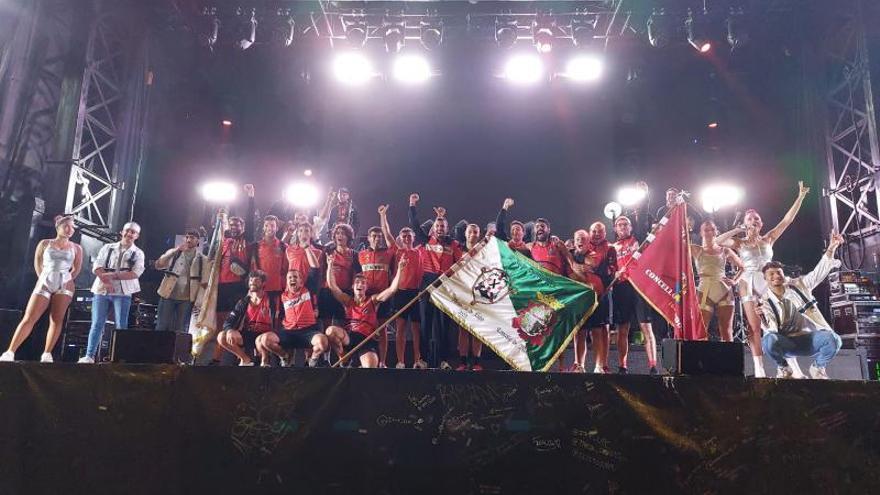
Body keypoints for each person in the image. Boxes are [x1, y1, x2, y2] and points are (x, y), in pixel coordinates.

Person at [717, 181, 809, 378]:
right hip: (748, 282)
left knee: (779, 323)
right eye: (750, 219)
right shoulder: (739, 243)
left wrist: (800, 197)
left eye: (757, 218)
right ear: (745, 222)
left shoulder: (769, 238)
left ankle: (790, 366)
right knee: (755, 326)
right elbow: (719, 241)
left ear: (761, 223)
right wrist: (738, 229)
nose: (754, 221)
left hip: (768, 280)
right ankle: (759, 369)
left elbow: (787, 220)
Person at [759, 231, 844, 379]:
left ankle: (818, 368)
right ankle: (784, 368)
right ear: (765, 279)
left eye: (778, 272)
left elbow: (819, 272)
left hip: (810, 339)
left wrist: (831, 248)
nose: (776, 276)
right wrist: (764, 321)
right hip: (788, 343)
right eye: (771, 274)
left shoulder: (799, 285)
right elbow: (771, 329)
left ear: (783, 275)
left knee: (834, 339)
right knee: (768, 341)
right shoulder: (766, 300)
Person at [1, 215, 83, 363]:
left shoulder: (77, 248)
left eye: (73, 228)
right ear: (58, 227)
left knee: (56, 319)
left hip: (64, 282)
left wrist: (67, 279)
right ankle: (10, 351)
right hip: (45, 279)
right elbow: (38, 263)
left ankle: (47, 353)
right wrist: (43, 278)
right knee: (29, 318)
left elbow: (76, 269)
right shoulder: (45, 243)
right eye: (67, 226)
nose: (70, 230)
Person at [408, 193, 462, 369]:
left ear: (447, 228)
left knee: (443, 325)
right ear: (433, 228)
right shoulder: (425, 240)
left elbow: (462, 265)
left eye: (442, 226)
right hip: (426, 285)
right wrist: (412, 205)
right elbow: (415, 225)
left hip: (445, 286)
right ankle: (423, 359)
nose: (439, 228)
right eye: (437, 225)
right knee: (426, 323)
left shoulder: (453, 244)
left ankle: (444, 360)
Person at [79, 222, 146, 364]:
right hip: (101, 290)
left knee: (121, 325)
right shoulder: (108, 247)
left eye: (133, 232)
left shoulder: (138, 253)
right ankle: (89, 355)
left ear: (137, 236)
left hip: (123, 292)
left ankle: (119, 357)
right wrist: (107, 282)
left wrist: (114, 276)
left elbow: (136, 273)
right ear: (122, 232)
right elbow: (97, 266)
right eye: (127, 230)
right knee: (97, 323)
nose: (129, 234)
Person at [325, 254, 407, 368]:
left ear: (366, 288)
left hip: (367, 339)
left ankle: (357, 363)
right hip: (350, 338)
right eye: (358, 282)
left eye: (363, 283)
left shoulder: (373, 300)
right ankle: (344, 357)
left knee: (369, 368)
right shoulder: (347, 300)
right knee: (330, 331)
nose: (360, 284)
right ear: (353, 286)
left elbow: (392, 290)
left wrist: (400, 269)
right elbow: (333, 286)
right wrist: (329, 266)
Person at [211, 184, 256, 364]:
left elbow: (251, 219)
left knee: (239, 322)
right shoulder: (224, 241)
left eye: (238, 224)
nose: (234, 227)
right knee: (221, 323)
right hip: (222, 285)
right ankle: (216, 358)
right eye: (232, 224)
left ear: (243, 226)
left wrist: (251, 197)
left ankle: (241, 357)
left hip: (239, 286)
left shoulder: (247, 239)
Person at [566, 223, 617, 373]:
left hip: (597, 298)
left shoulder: (596, 254)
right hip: (578, 300)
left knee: (597, 332)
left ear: (589, 242)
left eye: (583, 239)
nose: (580, 241)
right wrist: (572, 260)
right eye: (577, 239)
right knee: (579, 333)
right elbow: (572, 275)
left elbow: (588, 267)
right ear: (574, 241)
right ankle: (579, 365)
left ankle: (599, 366)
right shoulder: (571, 253)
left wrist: (573, 264)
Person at [611, 215, 658, 375]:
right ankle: (622, 366)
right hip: (621, 289)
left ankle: (653, 365)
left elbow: (643, 214)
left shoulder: (638, 239)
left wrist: (643, 196)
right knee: (622, 328)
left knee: (646, 326)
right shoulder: (612, 247)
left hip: (639, 287)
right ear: (615, 229)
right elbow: (608, 269)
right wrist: (614, 274)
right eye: (619, 225)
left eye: (626, 224)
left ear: (631, 227)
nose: (623, 227)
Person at [257, 263, 326, 367]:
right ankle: (284, 357)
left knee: (323, 342)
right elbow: (279, 316)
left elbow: (315, 269)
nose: (292, 279)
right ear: (286, 281)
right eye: (289, 277)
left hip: (308, 331)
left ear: (301, 281)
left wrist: (307, 247)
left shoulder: (308, 290)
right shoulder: (281, 297)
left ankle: (313, 360)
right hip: (289, 332)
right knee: (265, 340)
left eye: (295, 277)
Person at [359, 205, 399, 367]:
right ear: (368, 238)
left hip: (383, 297)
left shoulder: (389, 253)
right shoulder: (360, 255)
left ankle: (382, 362)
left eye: (379, 236)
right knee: (363, 329)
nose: (377, 238)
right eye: (373, 236)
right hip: (366, 298)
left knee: (382, 330)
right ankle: (363, 360)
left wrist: (383, 216)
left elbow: (389, 234)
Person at [691, 220, 744, 342]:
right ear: (701, 232)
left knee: (726, 331)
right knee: (701, 331)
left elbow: (742, 267)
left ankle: (728, 360)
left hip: (724, 290)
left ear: (716, 231)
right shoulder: (695, 249)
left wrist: (735, 281)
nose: (709, 232)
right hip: (704, 290)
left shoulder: (725, 250)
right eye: (706, 229)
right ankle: (701, 361)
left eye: (712, 229)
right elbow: (676, 246)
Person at [154, 229, 208, 333]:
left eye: (192, 238)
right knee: (161, 326)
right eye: (187, 237)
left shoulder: (202, 259)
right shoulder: (175, 252)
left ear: (198, 241)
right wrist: (175, 251)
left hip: (187, 298)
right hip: (168, 295)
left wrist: (199, 300)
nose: (188, 240)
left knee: (181, 329)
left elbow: (204, 281)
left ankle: (177, 349)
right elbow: (159, 265)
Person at [215, 270, 273, 367]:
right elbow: (229, 321)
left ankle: (265, 360)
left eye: (256, 280)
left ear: (263, 283)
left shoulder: (272, 299)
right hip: (249, 334)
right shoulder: (243, 302)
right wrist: (229, 330)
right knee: (222, 336)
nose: (253, 283)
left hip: (266, 336)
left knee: (264, 340)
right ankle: (245, 360)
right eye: (251, 280)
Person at [389, 225, 426, 369]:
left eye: (409, 235)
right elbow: (388, 235)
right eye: (404, 236)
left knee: (416, 329)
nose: (406, 238)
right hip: (401, 293)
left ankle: (417, 360)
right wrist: (383, 215)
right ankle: (401, 361)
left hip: (416, 293)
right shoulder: (397, 251)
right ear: (400, 238)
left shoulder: (419, 251)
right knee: (401, 328)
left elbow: (430, 237)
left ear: (413, 237)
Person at [319, 223, 360, 328]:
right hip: (327, 291)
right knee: (326, 324)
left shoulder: (354, 254)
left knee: (341, 324)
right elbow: (321, 272)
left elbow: (357, 274)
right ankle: (326, 344)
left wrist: (353, 293)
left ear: (348, 237)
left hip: (344, 292)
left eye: (343, 234)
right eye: (337, 233)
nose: (340, 236)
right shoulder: (328, 251)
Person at [456, 223, 484, 371]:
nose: (473, 234)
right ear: (465, 234)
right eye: (470, 231)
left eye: (476, 231)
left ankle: (477, 361)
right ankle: (463, 361)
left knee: (477, 328)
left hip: (479, 292)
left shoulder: (483, 250)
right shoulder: (458, 249)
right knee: (463, 328)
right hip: (462, 292)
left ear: (478, 234)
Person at [249, 215, 287, 321]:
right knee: (259, 318)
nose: (270, 228)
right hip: (261, 289)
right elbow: (253, 269)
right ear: (263, 227)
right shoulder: (256, 246)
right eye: (267, 225)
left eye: (272, 225)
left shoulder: (283, 246)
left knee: (276, 318)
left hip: (277, 289)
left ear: (277, 228)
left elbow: (286, 269)